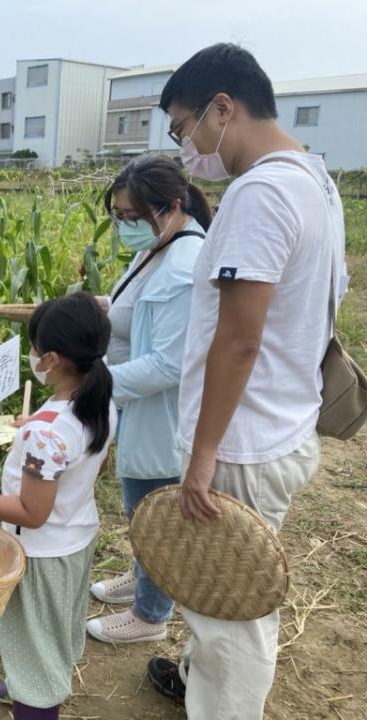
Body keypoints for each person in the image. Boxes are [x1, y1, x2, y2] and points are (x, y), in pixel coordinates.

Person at [145, 43, 348, 720]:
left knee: (231, 613)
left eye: (183, 128)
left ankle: (223, 708)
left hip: (241, 442)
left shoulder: (261, 191)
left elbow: (239, 338)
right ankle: (199, 684)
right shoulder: (315, 180)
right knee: (228, 590)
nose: (187, 146)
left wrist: (202, 460)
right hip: (281, 423)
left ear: (222, 109)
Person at [0, 292, 117, 720]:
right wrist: (34, 427)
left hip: (41, 554)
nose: (32, 355)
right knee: (51, 631)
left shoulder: (48, 435)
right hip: (75, 541)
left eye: (35, 348)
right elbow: (91, 461)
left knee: (33, 643)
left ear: (52, 360)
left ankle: (33, 700)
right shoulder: (98, 401)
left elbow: (32, 512)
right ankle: (26, 683)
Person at [86, 156, 211, 644]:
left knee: (156, 519)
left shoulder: (183, 267)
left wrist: (95, 384)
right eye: (118, 216)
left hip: (163, 417)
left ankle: (150, 616)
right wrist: (98, 307)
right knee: (139, 510)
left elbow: (168, 364)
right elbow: (135, 311)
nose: (122, 226)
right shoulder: (158, 246)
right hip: (136, 406)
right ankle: (142, 578)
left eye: (130, 217)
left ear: (171, 206)